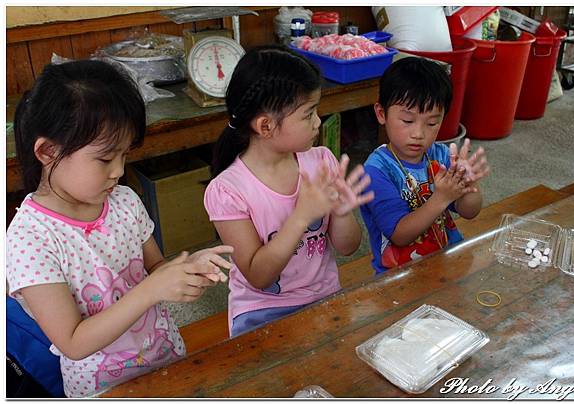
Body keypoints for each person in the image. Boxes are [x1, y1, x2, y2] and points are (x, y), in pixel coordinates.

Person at [6, 60, 233, 397]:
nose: (118, 171)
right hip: (103, 386)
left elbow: (155, 268)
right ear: (47, 151)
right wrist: (153, 289)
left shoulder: (124, 201)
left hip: (166, 354)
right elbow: (73, 342)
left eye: (125, 154)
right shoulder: (30, 239)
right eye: (105, 158)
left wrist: (185, 272)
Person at [204, 45, 374, 337]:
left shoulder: (320, 161)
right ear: (266, 126)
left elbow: (348, 248)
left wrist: (343, 213)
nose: (318, 122)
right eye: (308, 114)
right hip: (262, 311)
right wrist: (301, 216)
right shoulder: (227, 190)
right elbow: (258, 276)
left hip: (324, 295)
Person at [360, 57, 490, 274]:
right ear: (382, 114)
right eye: (408, 121)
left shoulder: (441, 156)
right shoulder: (376, 171)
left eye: (431, 123)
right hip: (399, 274)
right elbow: (399, 235)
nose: (418, 134)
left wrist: (470, 185)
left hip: (446, 259)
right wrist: (442, 197)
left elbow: (470, 212)